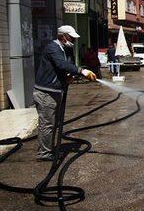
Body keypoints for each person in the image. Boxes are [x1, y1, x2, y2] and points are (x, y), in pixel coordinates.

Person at [33, 25, 97, 161]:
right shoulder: (53, 48)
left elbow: (63, 67)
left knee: (53, 122)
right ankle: (44, 153)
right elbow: (62, 64)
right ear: (62, 36)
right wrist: (82, 71)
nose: (73, 40)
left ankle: (48, 149)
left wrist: (68, 77)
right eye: (71, 37)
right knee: (47, 123)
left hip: (56, 90)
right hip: (46, 92)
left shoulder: (65, 49)